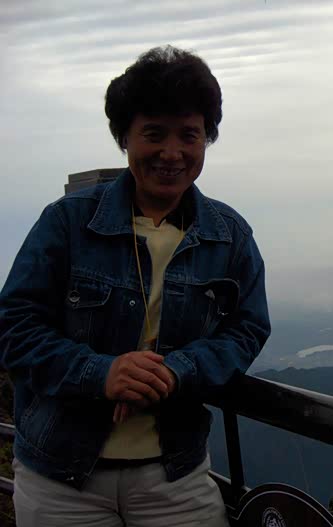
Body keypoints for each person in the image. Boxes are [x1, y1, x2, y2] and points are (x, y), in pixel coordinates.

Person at [0, 45, 271, 526]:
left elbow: (247, 329)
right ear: (125, 137)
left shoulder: (229, 235)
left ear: (206, 139)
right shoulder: (67, 223)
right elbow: (14, 326)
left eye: (189, 135)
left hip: (175, 477)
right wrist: (100, 373)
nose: (172, 153)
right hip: (60, 481)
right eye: (154, 134)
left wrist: (178, 370)